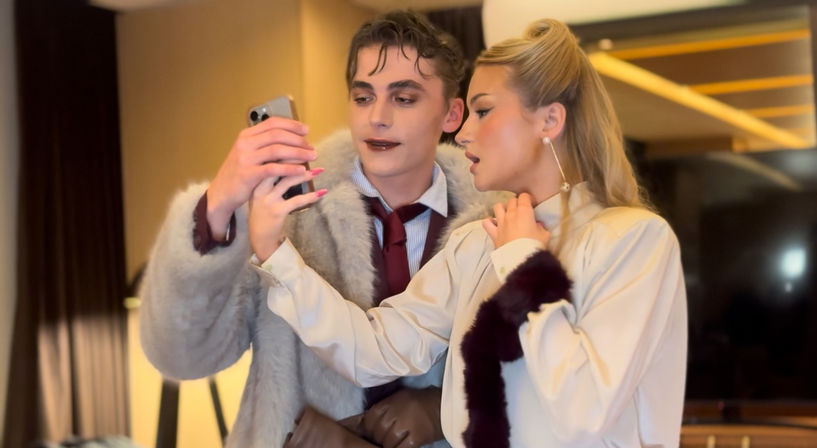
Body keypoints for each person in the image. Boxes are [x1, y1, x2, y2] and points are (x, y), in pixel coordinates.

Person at [257, 18, 688, 448]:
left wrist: (525, 267)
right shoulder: (479, 243)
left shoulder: (635, 240)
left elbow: (586, 413)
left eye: (483, 110)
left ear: (549, 120)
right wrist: (276, 253)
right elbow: (374, 350)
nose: (462, 134)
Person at [139, 10, 501, 448]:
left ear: (451, 114)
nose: (378, 118)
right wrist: (218, 204)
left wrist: (446, 408)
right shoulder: (288, 212)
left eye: (404, 98)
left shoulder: (498, 222)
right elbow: (182, 357)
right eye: (363, 97)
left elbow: (537, 379)